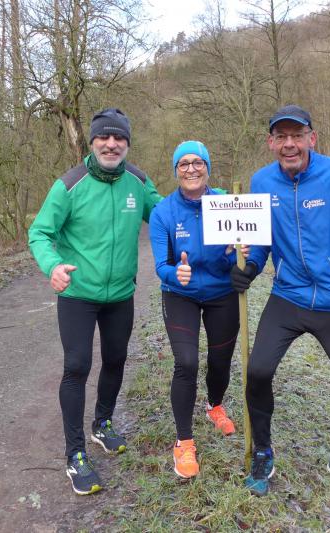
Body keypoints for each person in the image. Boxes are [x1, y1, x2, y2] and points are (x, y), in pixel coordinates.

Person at [231, 104, 330, 509]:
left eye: (297, 135)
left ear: (312, 138)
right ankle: (263, 453)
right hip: (288, 296)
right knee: (257, 371)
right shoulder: (261, 182)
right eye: (281, 137)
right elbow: (259, 240)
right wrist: (250, 267)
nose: (290, 144)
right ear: (271, 143)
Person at [28, 108, 162, 495]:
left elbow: (170, 216)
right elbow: (40, 233)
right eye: (104, 137)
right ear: (92, 142)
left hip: (120, 294)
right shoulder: (70, 184)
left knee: (116, 359)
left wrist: (213, 204)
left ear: (127, 143)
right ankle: (75, 454)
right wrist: (52, 266)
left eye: (119, 138)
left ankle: (102, 423)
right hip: (78, 294)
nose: (111, 144)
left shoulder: (138, 182)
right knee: (77, 366)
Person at [149, 141, 246, 479]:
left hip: (222, 292)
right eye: (183, 163)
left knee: (221, 359)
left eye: (198, 162)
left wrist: (240, 253)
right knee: (186, 363)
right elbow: (160, 265)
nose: (191, 168)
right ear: (176, 170)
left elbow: (239, 254)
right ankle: (184, 442)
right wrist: (175, 273)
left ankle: (214, 405)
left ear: (207, 167)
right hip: (181, 294)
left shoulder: (226, 203)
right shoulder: (163, 212)